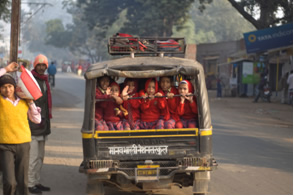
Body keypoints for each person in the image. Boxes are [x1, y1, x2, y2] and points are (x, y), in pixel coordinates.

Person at [0, 62, 41, 195]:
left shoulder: (24, 101)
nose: (7, 90)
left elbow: (37, 120)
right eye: (4, 87)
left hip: (23, 144)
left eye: (10, 86)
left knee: (23, 182)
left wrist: (31, 104)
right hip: (4, 145)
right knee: (9, 182)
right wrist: (6, 69)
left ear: (15, 87)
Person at [28, 54, 52, 194]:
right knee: (33, 157)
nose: (42, 68)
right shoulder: (31, 80)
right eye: (39, 65)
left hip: (43, 125)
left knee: (40, 157)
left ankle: (36, 181)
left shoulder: (44, 80)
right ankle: (30, 184)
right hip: (32, 126)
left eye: (44, 65)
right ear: (35, 66)